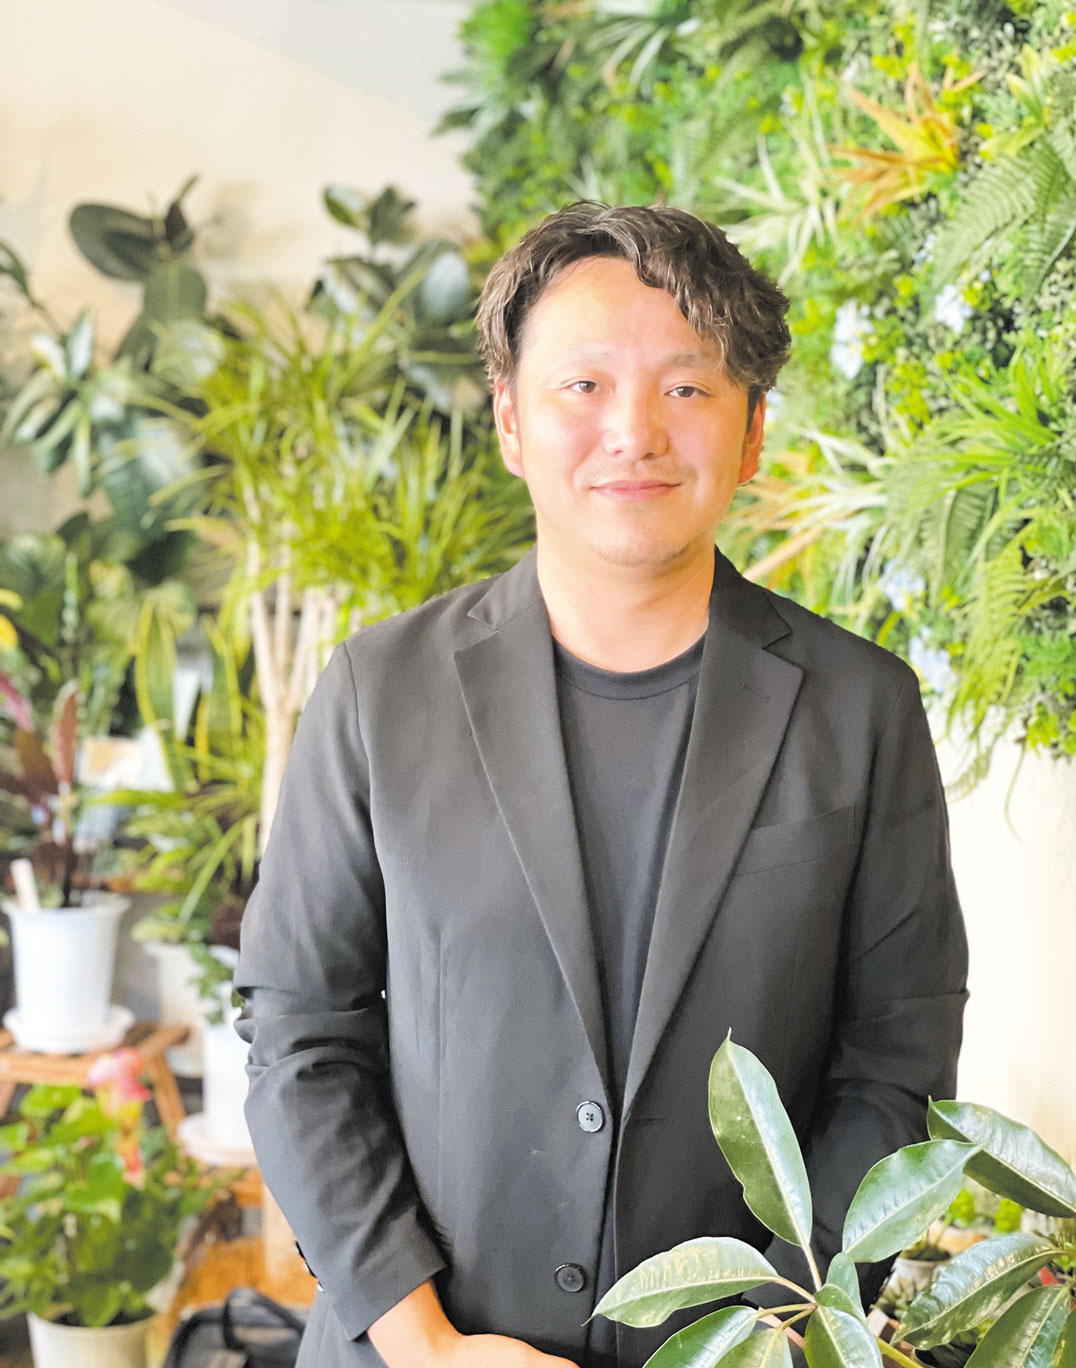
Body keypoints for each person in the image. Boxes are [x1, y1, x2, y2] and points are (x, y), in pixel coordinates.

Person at [233, 202, 970, 1368]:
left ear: (753, 431)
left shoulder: (859, 708)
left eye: (687, 387)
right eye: (583, 385)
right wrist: (427, 1343)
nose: (634, 431)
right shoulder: (382, 690)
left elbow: (896, 1061)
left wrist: (774, 1336)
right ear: (512, 421)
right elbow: (301, 1034)